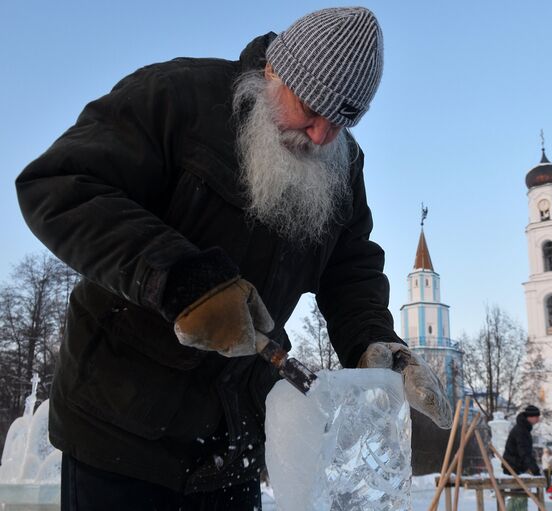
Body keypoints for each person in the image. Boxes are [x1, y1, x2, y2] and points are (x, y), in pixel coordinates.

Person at [15, 7, 452, 511]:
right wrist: (178, 277)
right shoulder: (178, 97)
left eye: (341, 122)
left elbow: (349, 270)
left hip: (231, 444)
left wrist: (373, 342)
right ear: (275, 70)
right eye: (311, 110)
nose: (320, 136)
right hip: (119, 429)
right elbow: (60, 186)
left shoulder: (342, 163)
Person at [502, 405, 542, 476]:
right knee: (520, 487)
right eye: (536, 417)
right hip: (512, 467)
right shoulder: (521, 431)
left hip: (517, 467)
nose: (538, 419)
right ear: (530, 417)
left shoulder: (524, 429)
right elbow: (524, 452)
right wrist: (535, 469)